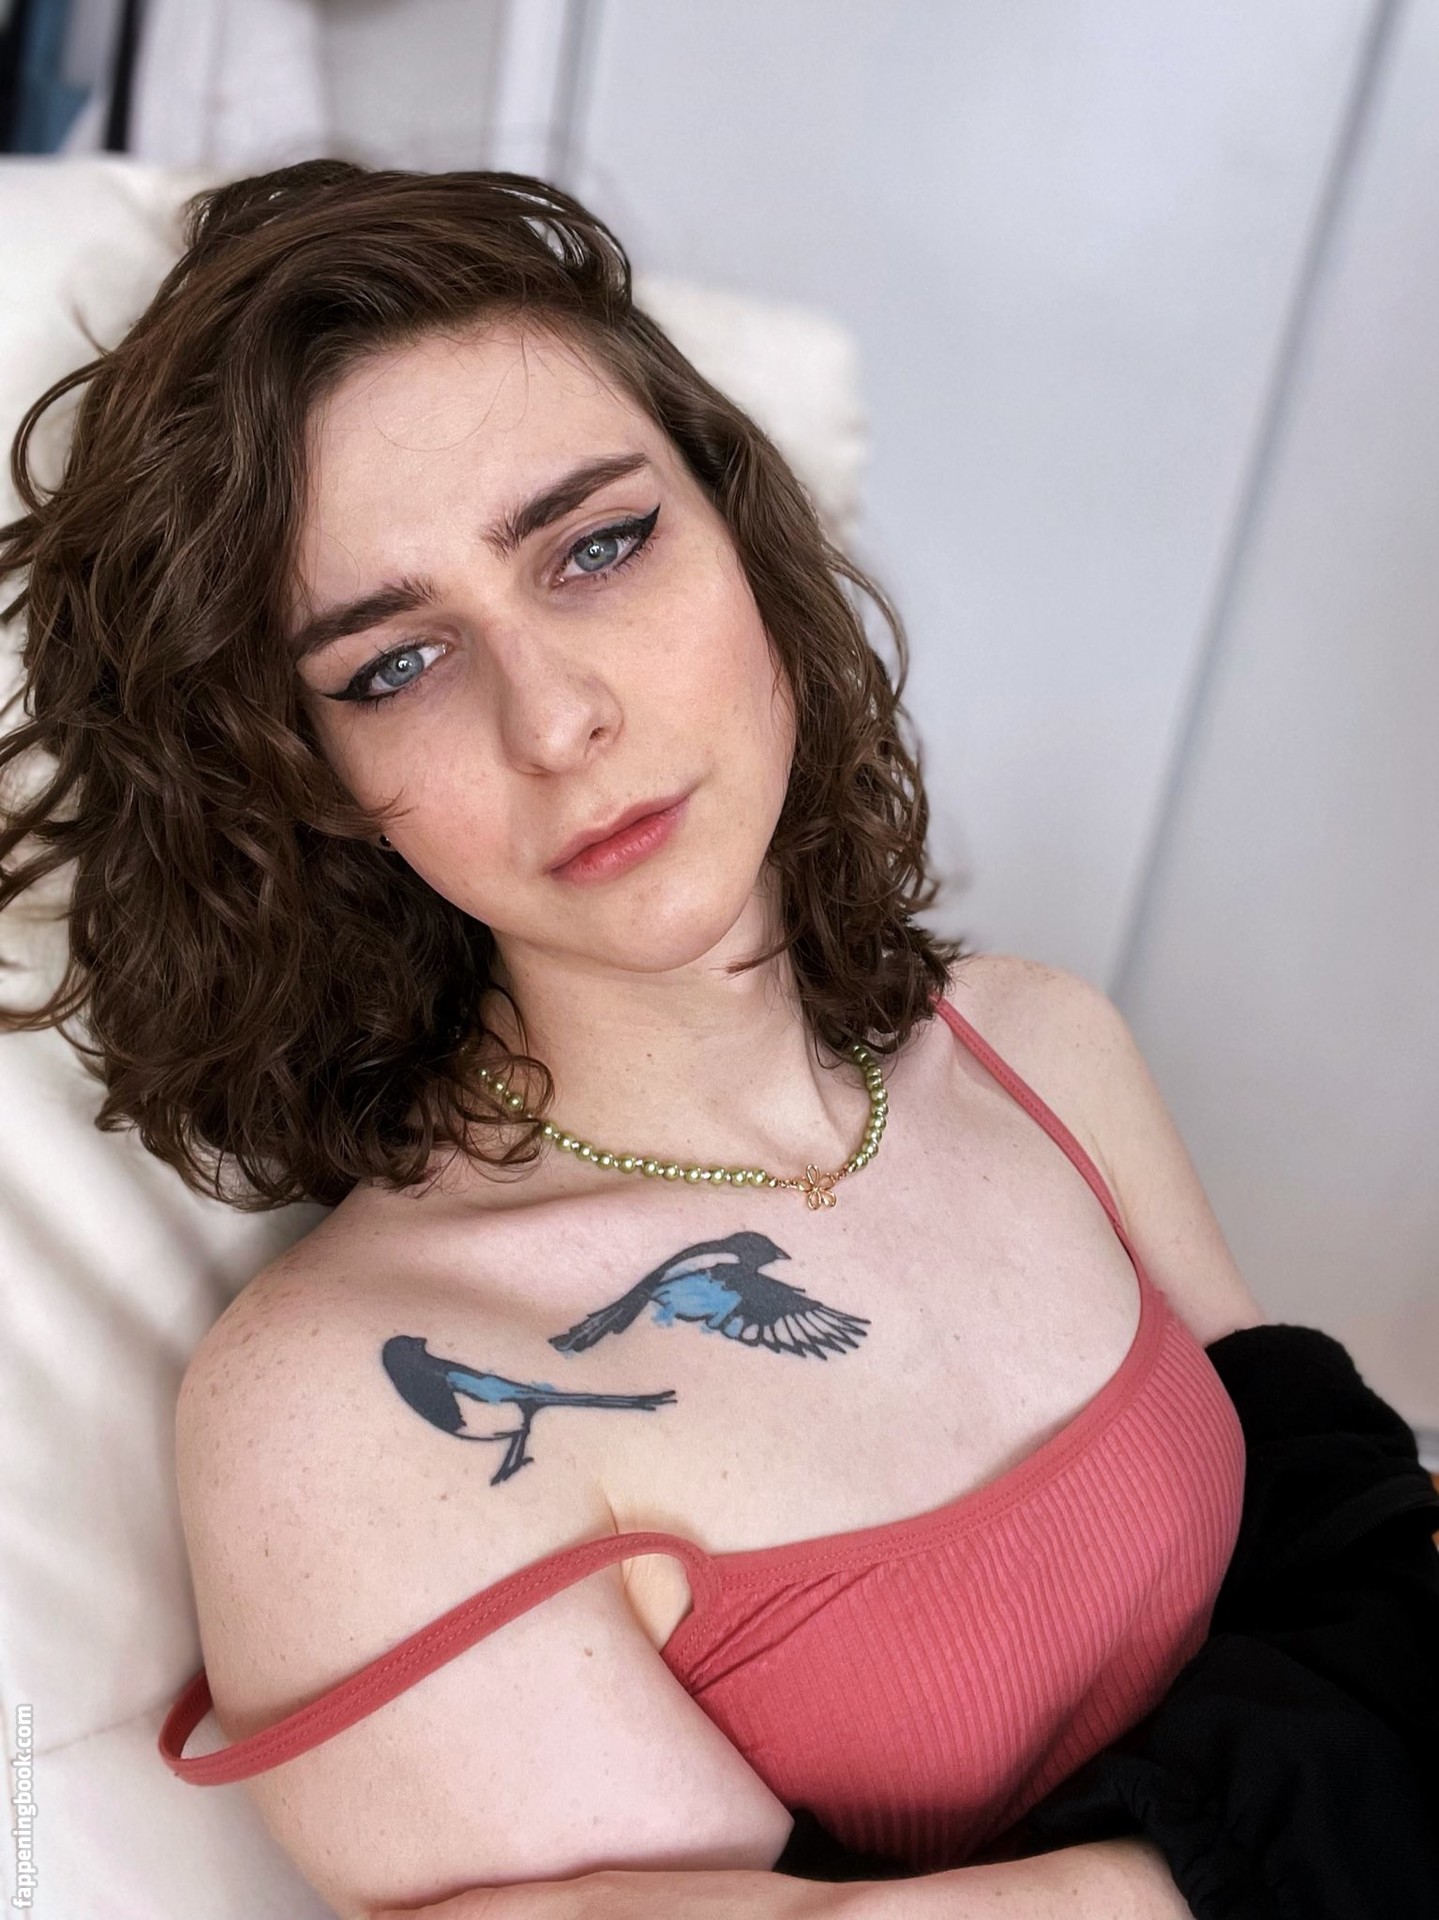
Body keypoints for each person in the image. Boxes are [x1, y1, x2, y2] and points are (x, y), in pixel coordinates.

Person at [0, 161, 1272, 1919]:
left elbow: (1350, 1544)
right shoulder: (335, 1406)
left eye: (596, 547)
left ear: (745, 540)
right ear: (306, 783)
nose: (556, 718)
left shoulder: (1040, 1047)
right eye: (392, 665)